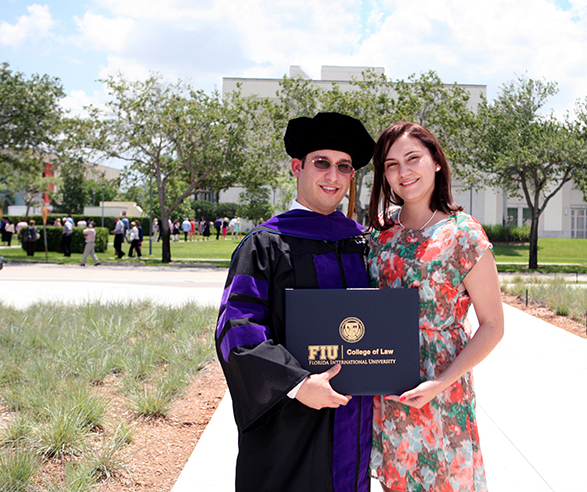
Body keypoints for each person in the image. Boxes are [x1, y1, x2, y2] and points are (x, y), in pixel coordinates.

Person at [215, 112, 376, 492]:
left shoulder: (363, 243)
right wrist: (299, 384)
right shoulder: (266, 244)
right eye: (322, 163)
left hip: (353, 418)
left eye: (343, 167)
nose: (332, 176)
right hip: (290, 426)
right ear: (297, 166)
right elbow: (236, 331)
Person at [366, 122, 504, 492]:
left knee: (445, 480)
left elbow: (492, 325)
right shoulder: (379, 233)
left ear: (436, 162)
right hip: (386, 379)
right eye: (391, 165)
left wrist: (441, 382)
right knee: (397, 480)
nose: (403, 172)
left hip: (442, 383)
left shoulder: (463, 233)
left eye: (413, 159)